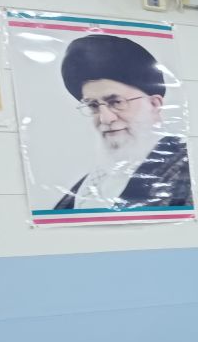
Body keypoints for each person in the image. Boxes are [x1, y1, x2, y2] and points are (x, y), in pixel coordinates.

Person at [56, 33, 190, 210]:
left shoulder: (186, 168)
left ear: (154, 105)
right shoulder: (87, 184)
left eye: (116, 102)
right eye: (94, 106)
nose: (105, 118)